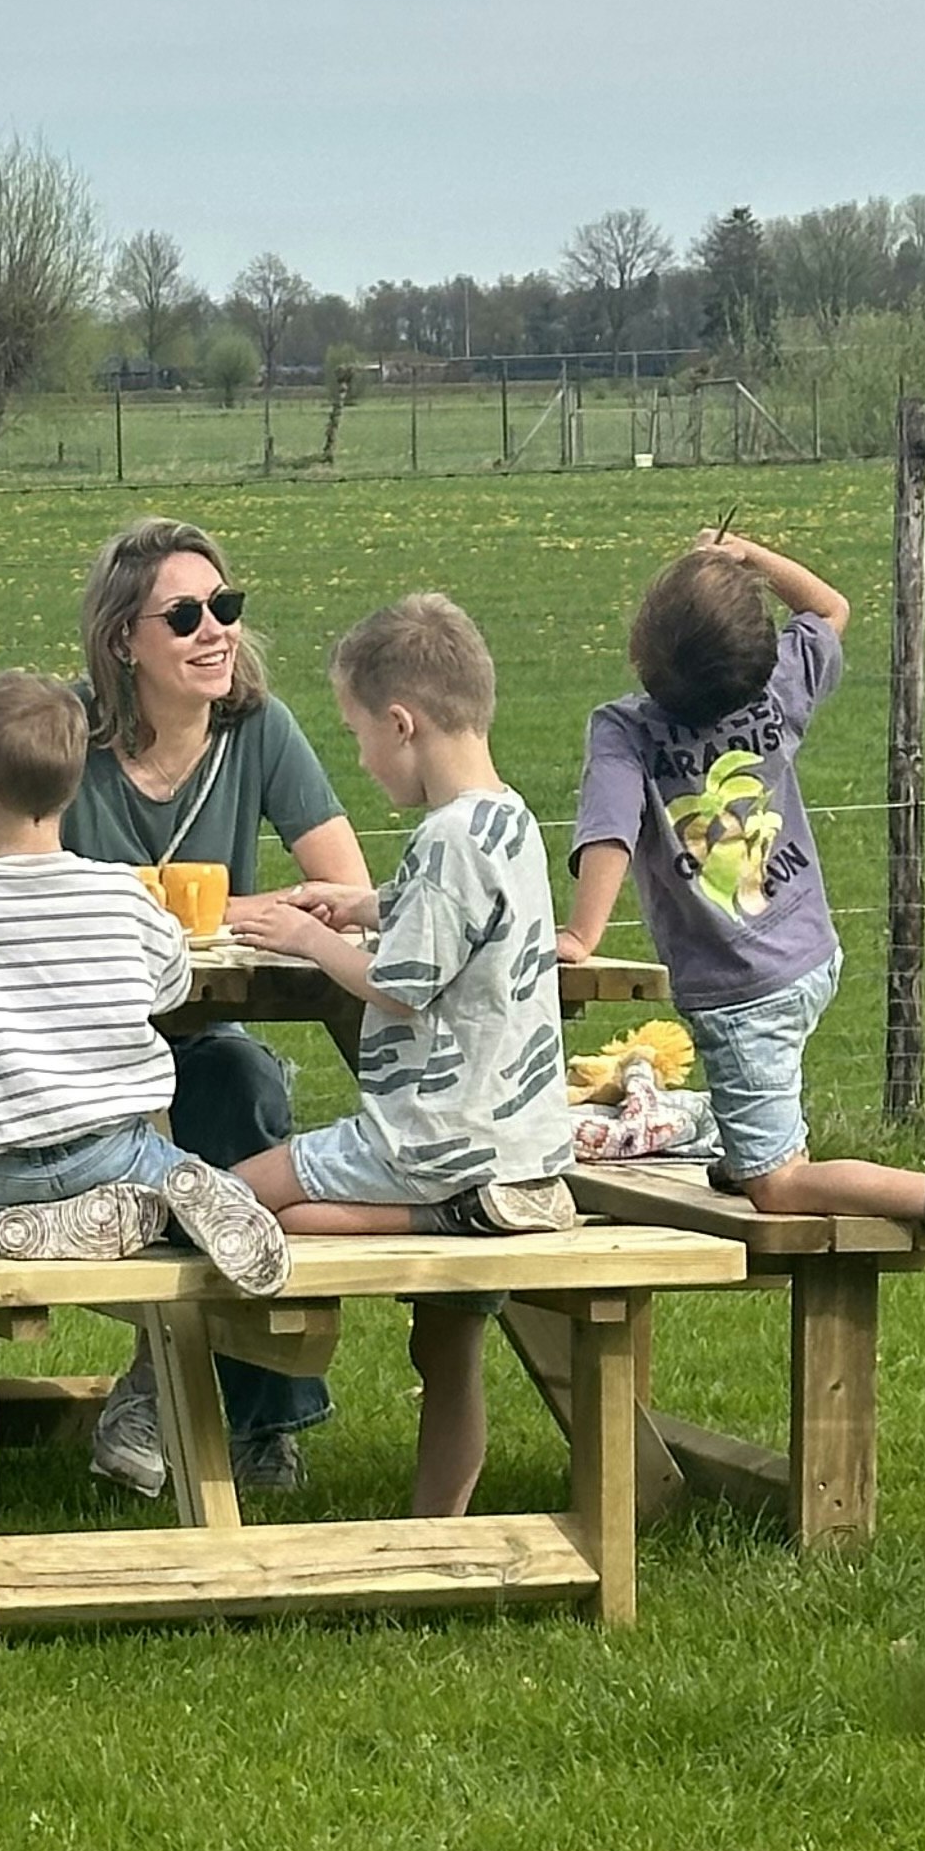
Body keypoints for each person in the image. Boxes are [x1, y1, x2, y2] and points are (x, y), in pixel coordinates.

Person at [559, 532, 925, 1265]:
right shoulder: (774, 694)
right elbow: (830, 607)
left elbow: (609, 834)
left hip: (742, 994)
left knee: (777, 1186)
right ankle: (747, 1148)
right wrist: (753, 556)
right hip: (807, 954)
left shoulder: (626, 732)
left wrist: (579, 937)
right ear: (756, 653)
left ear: (641, 645)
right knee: (757, 1132)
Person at [231, 593, 579, 1516]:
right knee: (445, 1345)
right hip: (517, 1148)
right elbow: (459, 919)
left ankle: (190, 1415)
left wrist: (309, 942)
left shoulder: (442, 833)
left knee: (233, 1197)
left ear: (401, 723)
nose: (358, 756)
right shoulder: (507, 820)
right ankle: (437, 1528)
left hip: (430, 1142)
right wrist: (363, 905)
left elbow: (401, 985)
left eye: (355, 736)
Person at [61, 517, 373, 1496]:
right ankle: (163, 1382)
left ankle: (247, 1417)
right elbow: (44, 896)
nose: (216, 631)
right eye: (186, 615)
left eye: (225, 608)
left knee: (241, 1085)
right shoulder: (68, 736)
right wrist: (232, 907)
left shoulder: (258, 730)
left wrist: (288, 911)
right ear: (124, 641)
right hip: (86, 1037)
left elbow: (345, 886)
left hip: (202, 1024)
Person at [0, 669, 289, 1290]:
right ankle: (176, 1199)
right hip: (113, 1153)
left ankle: (2, 1234)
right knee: (161, 1162)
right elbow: (172, 982)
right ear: (70, 790)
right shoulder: (122, 893)